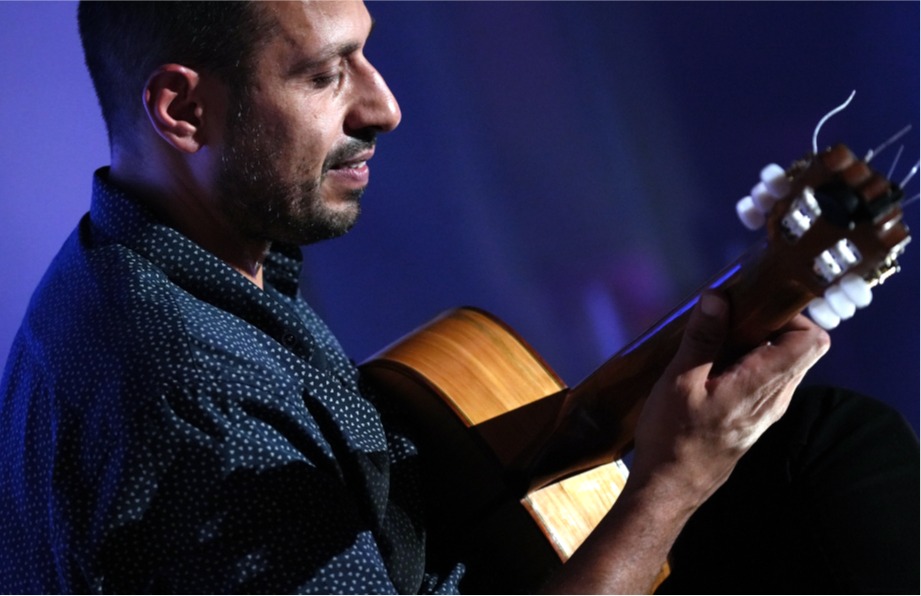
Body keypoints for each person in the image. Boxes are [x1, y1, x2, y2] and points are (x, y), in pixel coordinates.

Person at [0, 1, 916, 593]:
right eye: (325, 74)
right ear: (181, 110)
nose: (383, 107)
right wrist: (673, 484)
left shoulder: (157, 267)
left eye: (365, 54)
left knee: (816, 440)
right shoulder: (192, 395)